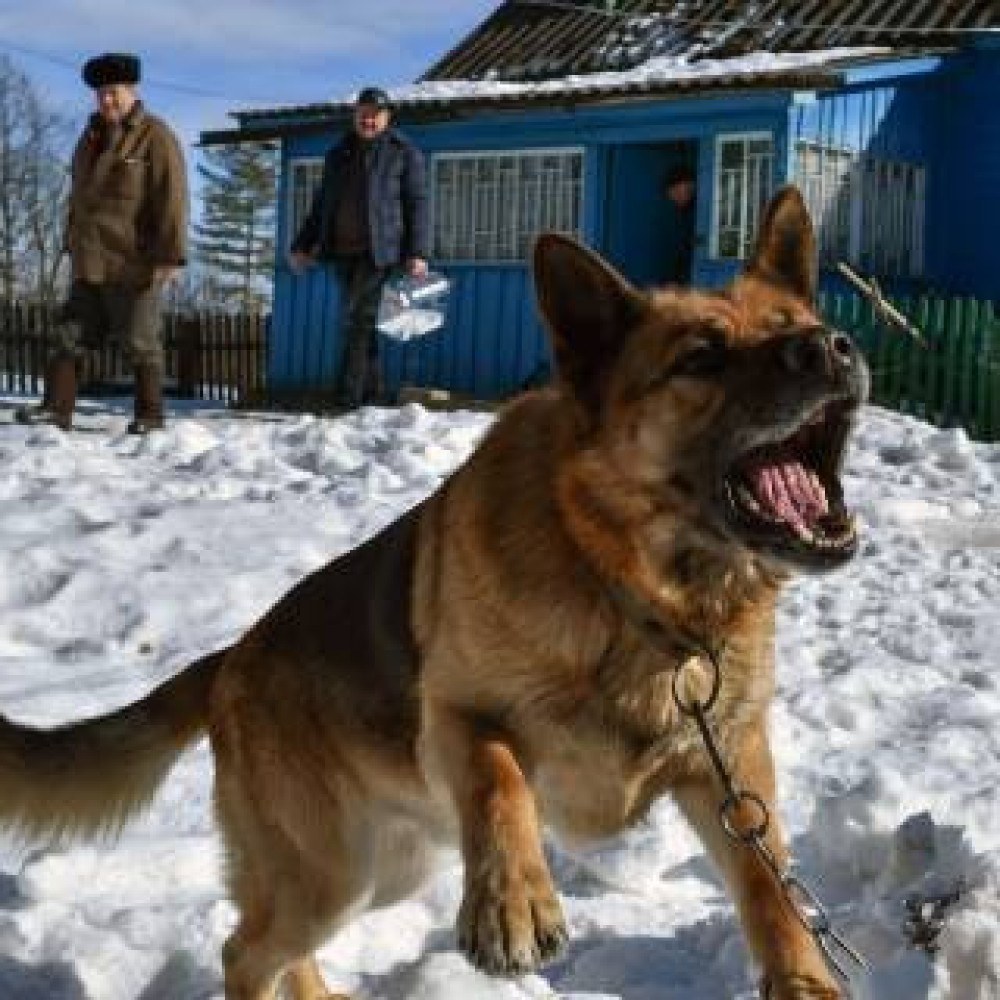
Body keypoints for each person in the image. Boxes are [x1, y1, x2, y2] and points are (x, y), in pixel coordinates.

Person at [16, 52, 188, 434]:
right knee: (69, 335)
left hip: (134, 262)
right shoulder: (90, 136)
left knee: (141, 342)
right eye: (100, 94)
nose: (106, 100)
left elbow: (172, 197)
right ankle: (56, 411)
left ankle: (150, 417)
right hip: (90, 258)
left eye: (113, 92)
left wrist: (171, 256)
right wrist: (70, 240)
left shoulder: (155, 137)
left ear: (132, 91)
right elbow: (79, 195)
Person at [289, 86, 429, 410]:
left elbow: (416, 204)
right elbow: (321, 204)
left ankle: (346, 399)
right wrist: (302, 245)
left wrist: (418, 253)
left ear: (387, 118)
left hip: (379, 253)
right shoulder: (338, 154)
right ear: (355, 115)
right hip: (342, 252)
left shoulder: (402, 152)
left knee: (359, 321)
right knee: (362, 325)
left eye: (375, 115)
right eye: (363, 113)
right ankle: (374, 395)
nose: (368, 120)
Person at [663, 163, 697, 286]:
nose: (674, 197)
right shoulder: (684, 213)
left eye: (677, 191)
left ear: (692, 185)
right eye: (671, 194)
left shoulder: (702, 211)